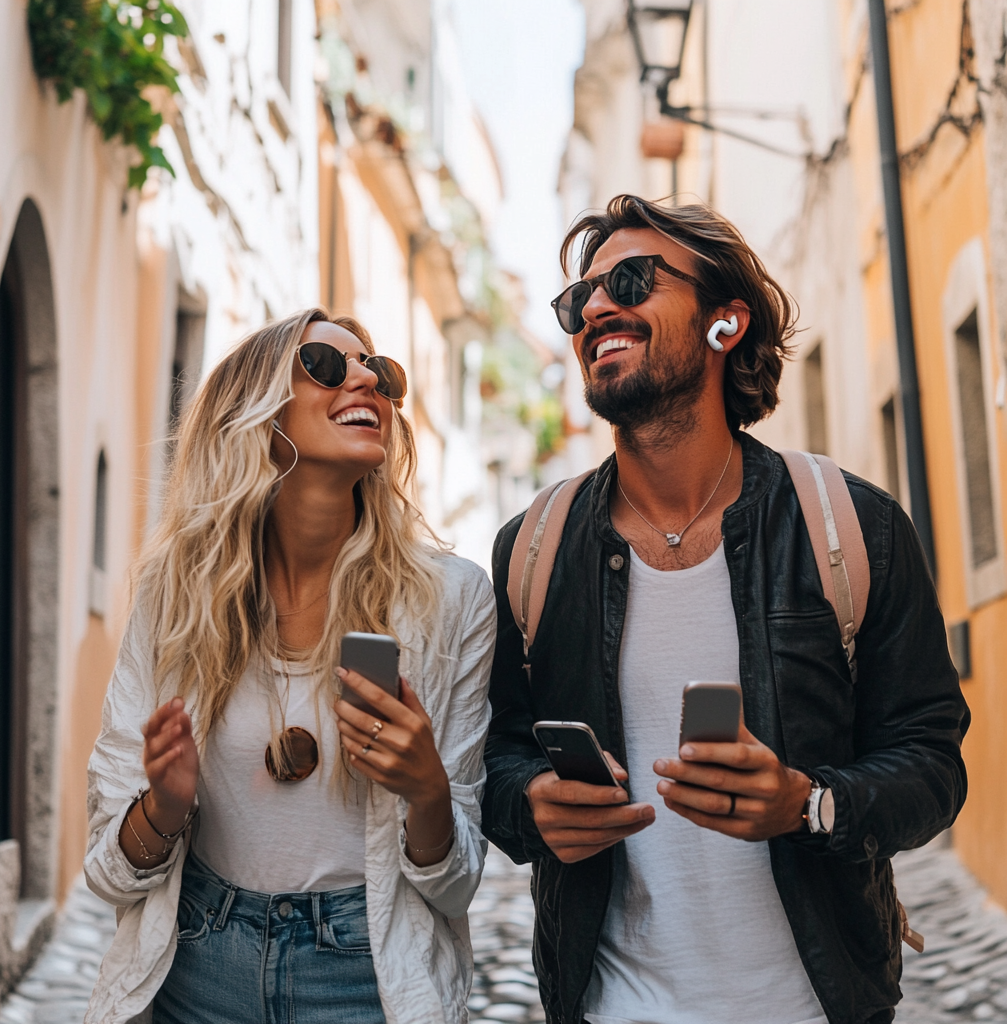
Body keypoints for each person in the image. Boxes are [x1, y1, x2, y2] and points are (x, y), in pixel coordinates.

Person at [482, 195, 969, 1024]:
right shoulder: (533, 549)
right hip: (608, 1006)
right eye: (579, 299)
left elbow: (932, 764)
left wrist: (808, 803)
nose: (596, 307)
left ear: (725, 324)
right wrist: (528, 804)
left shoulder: (851, 528)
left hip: (816, 1004)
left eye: (630, 281)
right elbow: (494, 756)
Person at [84, 308, 495, 1024]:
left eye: (379, 369)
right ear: (258, 418)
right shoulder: (176, 592)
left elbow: (454, 887)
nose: (366, 376)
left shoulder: (451, 601)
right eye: (328, 365)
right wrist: (165, 807)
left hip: (364, 975)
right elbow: (109, 873)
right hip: (197, 962)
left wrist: (427, 790)